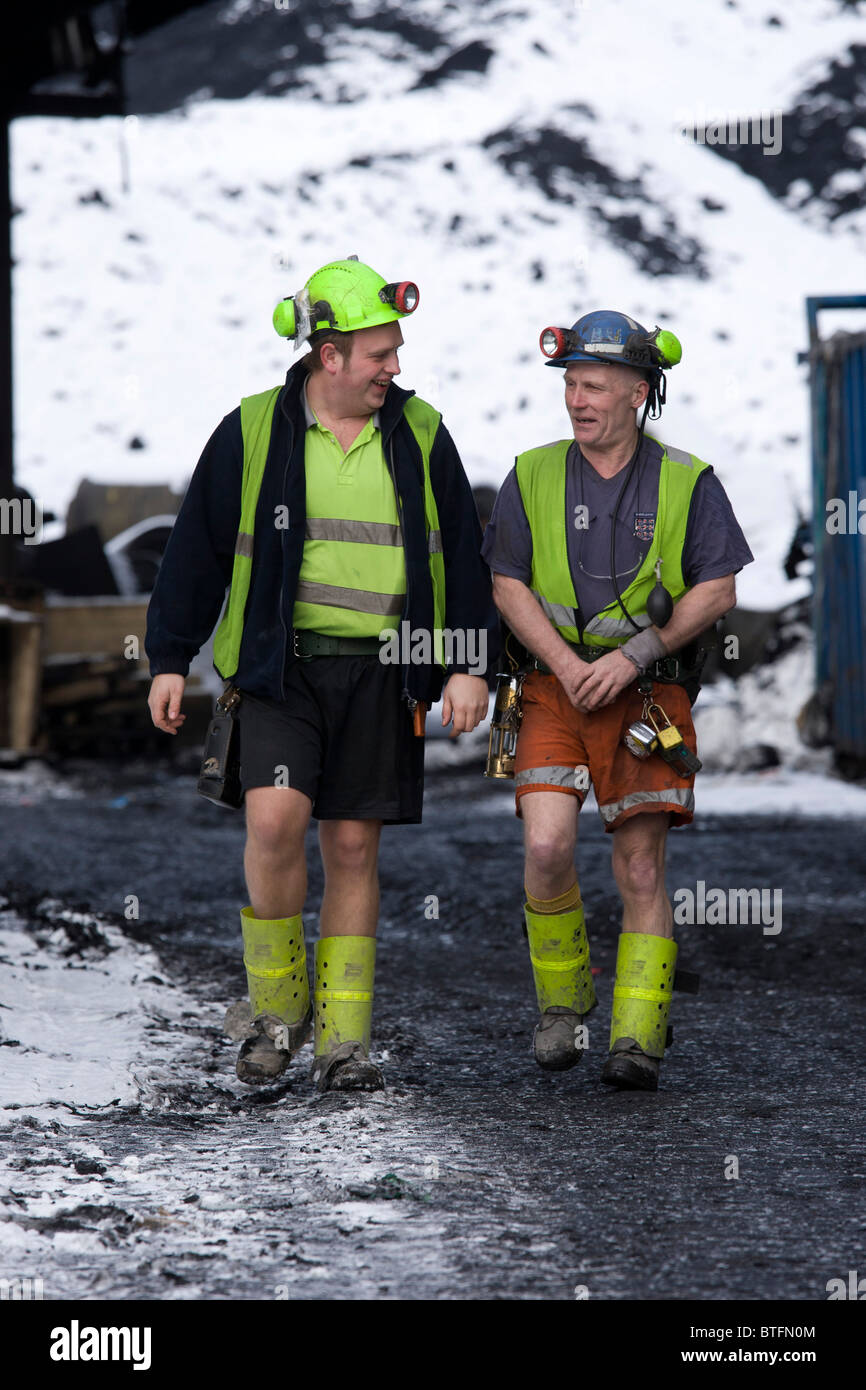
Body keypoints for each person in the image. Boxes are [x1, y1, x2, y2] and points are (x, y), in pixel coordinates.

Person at [146, 257, 495, 1093]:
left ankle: (344, 1040)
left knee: (349, 845)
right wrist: (167, 656)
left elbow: (464, 558)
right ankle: (277, 1013)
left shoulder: (420, 434)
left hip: (384, 675)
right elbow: (194, 550)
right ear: (328, 354)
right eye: (380, 352)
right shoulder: (253, 429)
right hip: (280, 668)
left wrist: (468, 664)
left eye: (398, 349)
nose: (396, 367)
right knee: (271, 825)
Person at [482, 309, 753, 1091]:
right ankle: (562, 1008)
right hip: (552, 688)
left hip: (645, 699)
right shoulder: (531, 473)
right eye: (570, 384)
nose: (577, 400)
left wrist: (637, 654)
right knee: (544, 849)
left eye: (594, 385)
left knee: (639, 868)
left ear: (638, 391)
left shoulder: (687, 481)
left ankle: (636, 1038)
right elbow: (507, 584)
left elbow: (720, 585)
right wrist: (567, 665)